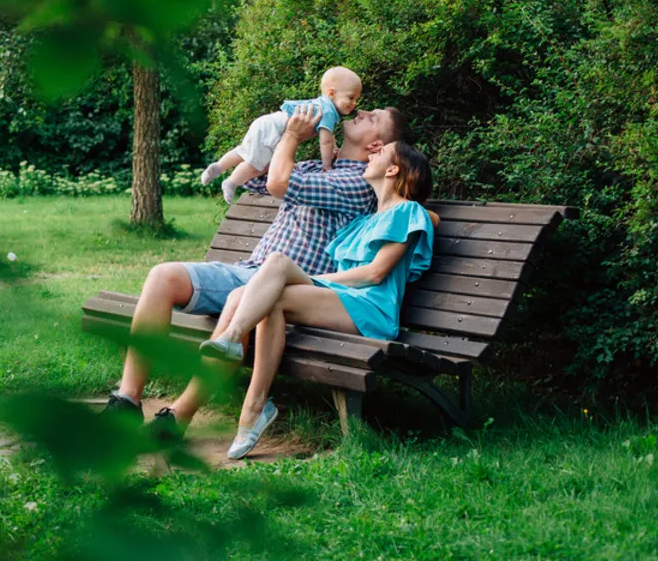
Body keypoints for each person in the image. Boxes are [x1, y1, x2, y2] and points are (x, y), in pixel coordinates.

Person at [105, 102, 410, 437]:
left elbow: (278, 184)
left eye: (373, 118)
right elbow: (256, 178)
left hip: (284, 285)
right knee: (163, 277)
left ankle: (176, 417)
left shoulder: (357, 184)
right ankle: (127, 400)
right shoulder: (315, 167)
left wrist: (292, 138)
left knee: (240, 299)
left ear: (376, 147)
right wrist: (277, 129)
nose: (362, 112)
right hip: (250, 268)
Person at [199, 140, 435, 459]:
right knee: (271, 295)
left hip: (370, 310)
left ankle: (232, 340)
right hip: (342, 301)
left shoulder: (408, 211)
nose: (371, 153)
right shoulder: (363, 222)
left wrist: (315, 281)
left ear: (393, 169)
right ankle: (254, 409)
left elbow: (376, 273)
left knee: (278, 265)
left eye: (380, 153)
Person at [201, 66, 362, 205]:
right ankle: (231, 182)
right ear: (331, 93)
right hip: (274, 129)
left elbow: (329, 137)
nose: (354, 103)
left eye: (356, 99)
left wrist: (335, 147)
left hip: (268, 122)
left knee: (245, 152)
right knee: (258, 165)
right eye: (350, 97)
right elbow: (325, 141)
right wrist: (327, 166)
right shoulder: (328, 111)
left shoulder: (322, 106)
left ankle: (219, 167)